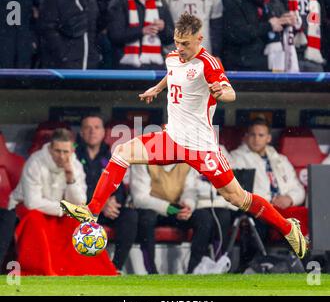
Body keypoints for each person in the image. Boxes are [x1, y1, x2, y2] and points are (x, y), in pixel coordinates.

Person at [61, 12, 307, 260]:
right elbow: (174, 75)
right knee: (122, 152)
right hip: (172, 140)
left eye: (186, 43)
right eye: (177, 42)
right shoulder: (173, 57)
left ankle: (288, 228)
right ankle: (91, 211)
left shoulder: (209, 64)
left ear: (199, 39)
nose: (180, 48)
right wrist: (157, 88)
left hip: (201, 147)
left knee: (236, 197)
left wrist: (221, 93)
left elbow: (230, 92)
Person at [9, 128, 117, 275]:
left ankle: (91, 270)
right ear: (50, 148)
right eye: (57, 151)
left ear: (71, 151)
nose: (61, 156)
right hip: (29, 210)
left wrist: (70, 177)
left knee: (80, 223)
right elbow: (32, 203)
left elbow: (80, 201)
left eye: (65, 152)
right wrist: (64, 209)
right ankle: (40, 270)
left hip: (57, 210)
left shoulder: (75, 165)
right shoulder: (35, 162)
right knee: (35, 221)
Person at [230, 117, 306, 264]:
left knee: (304, 217)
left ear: (268, 138)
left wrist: (289, 198)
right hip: (260, 208)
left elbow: (298, 188)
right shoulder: (236, 158)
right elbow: (241, 191)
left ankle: (303, 262)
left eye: (261, 135)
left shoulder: (280, 159)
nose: (256, 139)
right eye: (253, 135)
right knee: (261, 219)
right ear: (246, 136)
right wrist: (270, 200)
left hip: (285, 206)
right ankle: (257, 264)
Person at [131, 162, 222, 274]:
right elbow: (140, 198)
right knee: (146, 219)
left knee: (204, 218)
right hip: (152, 209)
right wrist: (170, 209)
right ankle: (151, 271)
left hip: (176, 209)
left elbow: (190, 190)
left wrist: (188, 206)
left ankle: (194, 271)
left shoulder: (186, 160)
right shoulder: (143, 159)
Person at [75, 114, 138, 272]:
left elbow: (120, 189)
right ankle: (84, 268)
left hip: (107, 211)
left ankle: (115, 267)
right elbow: (75, 188)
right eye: (88, 128)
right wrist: (99, 203)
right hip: (83, 210)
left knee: (130, 216)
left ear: (104, 132)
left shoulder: (113, 156)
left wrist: (114, 201)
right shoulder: (72, 155)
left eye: (96, 127)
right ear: (81, 132)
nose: (92, 131)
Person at [222, 0, 290, 71]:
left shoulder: (271, 1)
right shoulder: (233, 2)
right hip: (241, 66)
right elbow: (238, 34)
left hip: (267, 63)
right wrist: (269, 26)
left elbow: (274, 24)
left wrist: (284, 21)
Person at [107, 0, 174, 69]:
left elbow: (171, 38)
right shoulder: (119, 1)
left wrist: (163, 28)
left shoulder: (159, 1)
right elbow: (115, 35)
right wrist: (141, 31)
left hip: (155, 67)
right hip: (127, 68)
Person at [38, 0, 100, 69]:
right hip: (63, 67)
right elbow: (47, 30)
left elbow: (95, 27)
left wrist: (94, 55)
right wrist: (64, 56)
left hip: (89, 64)